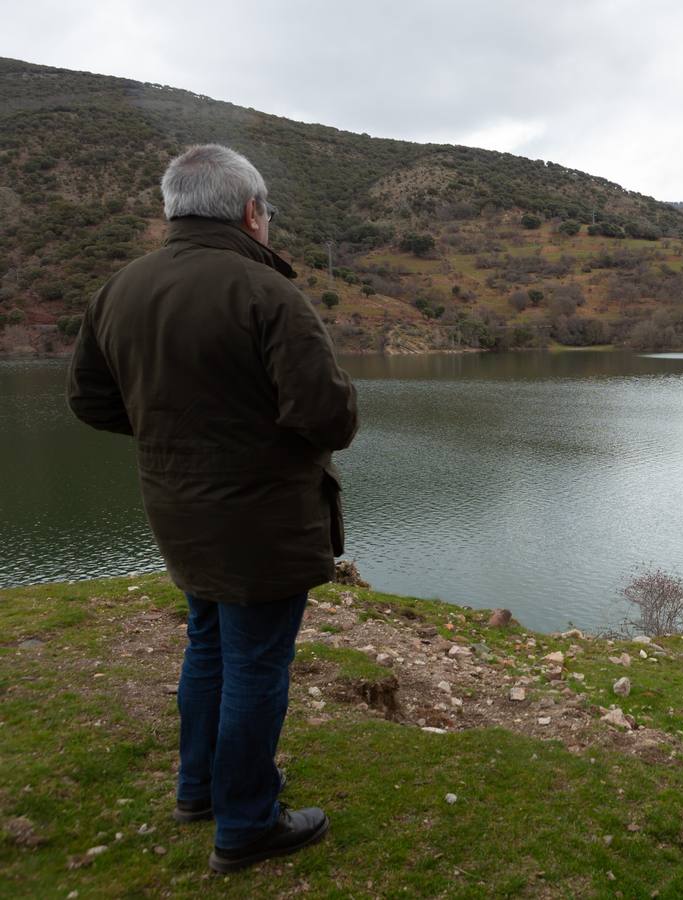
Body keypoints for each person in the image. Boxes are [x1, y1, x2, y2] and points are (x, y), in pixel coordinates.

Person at [67, 144, 358, 873]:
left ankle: (199, 790)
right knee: (257, 662)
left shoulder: (119, 289)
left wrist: (179, 435)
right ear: (251, 211)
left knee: (208, 645)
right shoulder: (267, 293)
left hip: (178, 509)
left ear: (175, 208)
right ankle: (246, 824)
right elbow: (325, 416)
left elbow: (91, 402)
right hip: (261, 518)